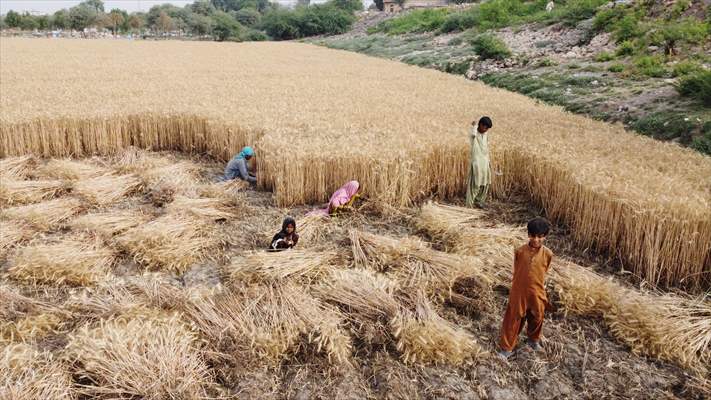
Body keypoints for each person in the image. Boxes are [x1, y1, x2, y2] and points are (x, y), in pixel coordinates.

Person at [498, 217, 554, 359]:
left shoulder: (548, 254)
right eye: (533, 236)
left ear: (545, 237)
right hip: (519, 291)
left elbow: (544, 270)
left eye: (540, 237)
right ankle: (507, 348)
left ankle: (533, 340)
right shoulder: (520, 252)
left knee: (537, 316)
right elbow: (518, 270)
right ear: (528, 235)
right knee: (513, 318)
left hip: (537, 291)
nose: (536, 240)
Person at [466, 117, 493, 209]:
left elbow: (486, 149)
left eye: (487, 129)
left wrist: (489, 162)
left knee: (485, 184)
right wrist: (474, 126)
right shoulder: (474, 134)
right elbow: (473, 134)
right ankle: (469, 206)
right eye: (485, 127)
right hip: (476, 163)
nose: (486, 130)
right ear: (480, 125)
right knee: (474, 185)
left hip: (485, 163)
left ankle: (479, 201)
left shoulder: (485, 135)